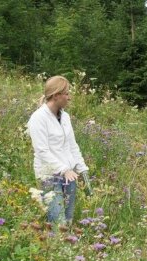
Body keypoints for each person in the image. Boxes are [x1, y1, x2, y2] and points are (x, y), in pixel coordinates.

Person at [27, 75, 89, 227]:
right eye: (66, 94)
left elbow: (72, 146)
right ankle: (54, 246)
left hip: (69, 176)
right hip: (49, 176)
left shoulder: (65, 117)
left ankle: (66, 249)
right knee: (56, 221)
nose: (69, 97)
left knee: (67, 220)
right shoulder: (38, 118)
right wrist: (64, 169)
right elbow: (42, 151)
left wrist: (83, 170)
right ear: (55, 96)